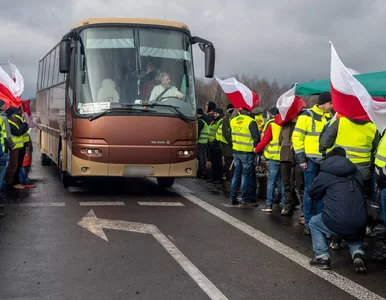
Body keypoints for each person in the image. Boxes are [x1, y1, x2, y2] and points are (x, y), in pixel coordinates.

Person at [308, 147, 367, 273]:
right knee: (352, 227)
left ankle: (322, 257)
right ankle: (358, 254)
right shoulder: (357, 172)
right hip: (361, 219)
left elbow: (313, 193)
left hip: (336, 220)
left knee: (314, 223)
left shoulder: (325, 174)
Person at [292, 91, 332, 235]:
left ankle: (319, 222)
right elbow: (297, 138)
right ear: (325, 103)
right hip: (309, 160)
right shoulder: (306, 116)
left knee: (322, 192)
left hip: (325, 161)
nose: (332, 106)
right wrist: (301, 159)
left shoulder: (331, 117)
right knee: (310, 191)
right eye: (331, 103)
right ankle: (309, 222)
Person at [230, 107, 260, 207]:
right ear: (250, 111)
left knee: (236, 174)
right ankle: (245, 198)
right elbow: (256, 138)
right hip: (247, 152)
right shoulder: (251, 121)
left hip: (236, 150)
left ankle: (233, 197)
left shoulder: (233, 120)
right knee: (245, 176)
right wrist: (257, 150)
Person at [4, 107, 28, 190]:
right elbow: (18, 132)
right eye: (13, 113)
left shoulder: (12, 121)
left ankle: (13, 183)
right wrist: (25, 124)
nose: (15, 115)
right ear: (11, 115)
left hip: (17, 147)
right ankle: (11, 183)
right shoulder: (9, 122)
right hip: (14, 147)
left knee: (16, 165)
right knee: (13, 166)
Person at [219, 103, 235, 194]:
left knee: (231, 166)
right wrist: (233, 143)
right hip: (229, 147)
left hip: (231, 146)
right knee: (230, 166)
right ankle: (230, 184)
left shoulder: (228, 119)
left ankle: (232, 184)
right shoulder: (226, 120)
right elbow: (226, 134)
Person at [197, 108, 209, 178]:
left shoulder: (200, 121)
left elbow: (198, 132)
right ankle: (205, 170)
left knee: (200, 157)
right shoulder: (206, 121)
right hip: (205, 141)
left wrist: (195, 140)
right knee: (204, 157)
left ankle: (201, 171)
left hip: (200, 141)